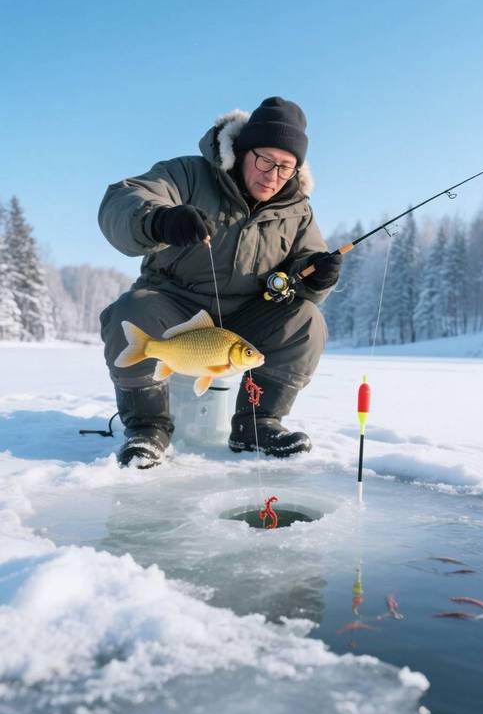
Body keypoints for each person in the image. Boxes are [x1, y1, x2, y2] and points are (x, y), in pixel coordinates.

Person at [98, 97, 342, 468]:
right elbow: (121, 199)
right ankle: (147, 429)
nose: (273, 175)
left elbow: (305, 273)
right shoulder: (189, 174)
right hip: (173, 304)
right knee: (130, 311)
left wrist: (318, 275)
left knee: (306, 321)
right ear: (242, 151)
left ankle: (258, 425)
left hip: (247, 316)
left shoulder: (299, 211)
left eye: (285, 167)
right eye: (264, 160)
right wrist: (158, 220)